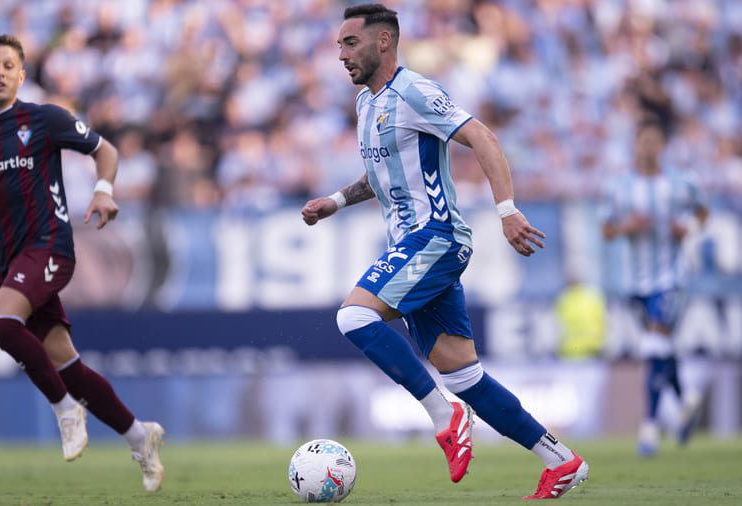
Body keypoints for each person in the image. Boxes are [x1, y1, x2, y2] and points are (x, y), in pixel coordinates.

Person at [301, 4, 587, 499]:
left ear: (384, 41)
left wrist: (507, 210)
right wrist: (338, 200)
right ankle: (561, 462)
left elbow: (483, 137)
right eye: (339, 45)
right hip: (413, 245)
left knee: (354, 317)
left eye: (351, 43)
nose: (341, 55)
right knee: (465, 375)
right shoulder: (367, 104)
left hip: (436, 237)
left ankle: (444, 416)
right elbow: (382, 175)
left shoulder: (415, 92)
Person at [0, 35, 165, 491]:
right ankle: (141, 437)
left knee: (0, 324)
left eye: (8, 65)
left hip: (50, 248)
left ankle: (65, 410)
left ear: (22, 76)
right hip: (6, 263)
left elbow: (106, 150)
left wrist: (104, 190)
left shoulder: (43, 119)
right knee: (69, 366)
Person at [600, 120, 709, 457]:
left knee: (653, 341)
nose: (648, 147)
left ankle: (649, 426)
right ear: (636, 145)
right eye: (643, 141)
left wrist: (688, 227)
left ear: (662, 145)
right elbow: (606, 229)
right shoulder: (620, 187)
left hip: (671, 277)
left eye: (654, 141)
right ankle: (686, 397)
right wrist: (626, 227)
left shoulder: (681, 182)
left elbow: (702, 213)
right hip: (636, 281)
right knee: (659, 345)